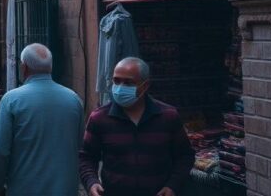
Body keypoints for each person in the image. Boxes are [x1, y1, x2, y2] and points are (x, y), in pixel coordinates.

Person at [79, 57, 194, 196]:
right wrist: (92, 182)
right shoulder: (99, 118)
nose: (120, 88)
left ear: (145, 86)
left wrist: (172, 186)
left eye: (128, 83)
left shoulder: (168, 116)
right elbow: (86, 157)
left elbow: (185, 156)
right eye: (116, 81)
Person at [0, 43, 83, 196]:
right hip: (65, 188)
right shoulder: (73, 99)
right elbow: (79, 145)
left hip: (25, 188)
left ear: (23, 67)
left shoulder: (12, 100)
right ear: (50, 67)